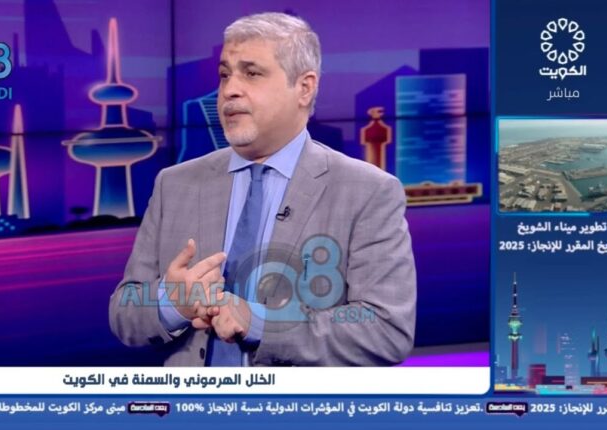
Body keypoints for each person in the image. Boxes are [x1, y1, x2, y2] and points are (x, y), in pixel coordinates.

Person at [109, 12, 416, 366]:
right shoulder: (174, 184)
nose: (229, 90)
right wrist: (171, 302)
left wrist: (261, 324)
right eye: (225, 75)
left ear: (304, 88)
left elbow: (385, 329)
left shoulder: (367, 192)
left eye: (251, 73)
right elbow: (123, 312)